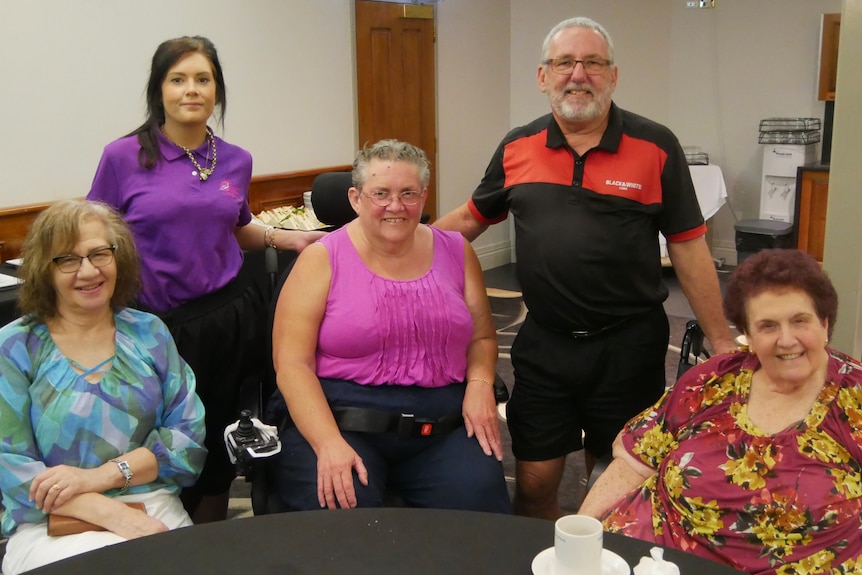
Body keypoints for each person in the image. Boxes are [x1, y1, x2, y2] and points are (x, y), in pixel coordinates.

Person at [434, 16, 736, 519]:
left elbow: (687, 246)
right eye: (564, 63)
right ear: (543, 76)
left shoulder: (656, 146)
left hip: (630, 345)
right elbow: (471, 217)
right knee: (533, 482)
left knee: (615, 484)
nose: (578, 74)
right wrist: (389, 245)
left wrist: (721, 338)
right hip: (545, 342)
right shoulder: (517, 146)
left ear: (612, 76)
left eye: (593, 63)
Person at [86, 36, 324, 522]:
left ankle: (209, 539)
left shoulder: (235, 159)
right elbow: (95, 235)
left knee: (216, 440)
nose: (191, 90)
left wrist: (286, 239)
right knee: (151, 438)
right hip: (151, 328)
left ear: (217, 91)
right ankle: (151, 533)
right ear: (159, 90)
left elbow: (237, 227)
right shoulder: (122, 157)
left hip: (227, 320)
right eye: (178, 79)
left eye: (203, 79)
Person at [580, 249, 862, 574]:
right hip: (652, 557)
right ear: (750, 337)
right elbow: (634, 463)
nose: (787, 340)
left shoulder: (852, 398)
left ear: (825, 324)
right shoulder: (712, 381)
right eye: (768, 326)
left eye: (800, 321)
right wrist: (577, 538)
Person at [267, 139, 511, 513]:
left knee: (480, 514)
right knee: (349, 516)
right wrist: (328, 443)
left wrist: (480, 385)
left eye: (408, 193)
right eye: (380, 193)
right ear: (356, 198)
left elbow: (481, 336)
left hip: (442, 425)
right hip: (341, 420)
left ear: (424, 196)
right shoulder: (321, 260)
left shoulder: (457, 250)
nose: (395, 206)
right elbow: (292, 364)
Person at [0, 200, 206, 575]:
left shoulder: (150, 334)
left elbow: (187, 443)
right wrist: (108, 511)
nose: (88, 271)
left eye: (99, 254)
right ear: (43, 270)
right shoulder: (14, 347)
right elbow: (8, 466)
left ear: (119, 257)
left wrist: (99, 477)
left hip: (150, 503)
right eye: (67, 259)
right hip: (51, 520)